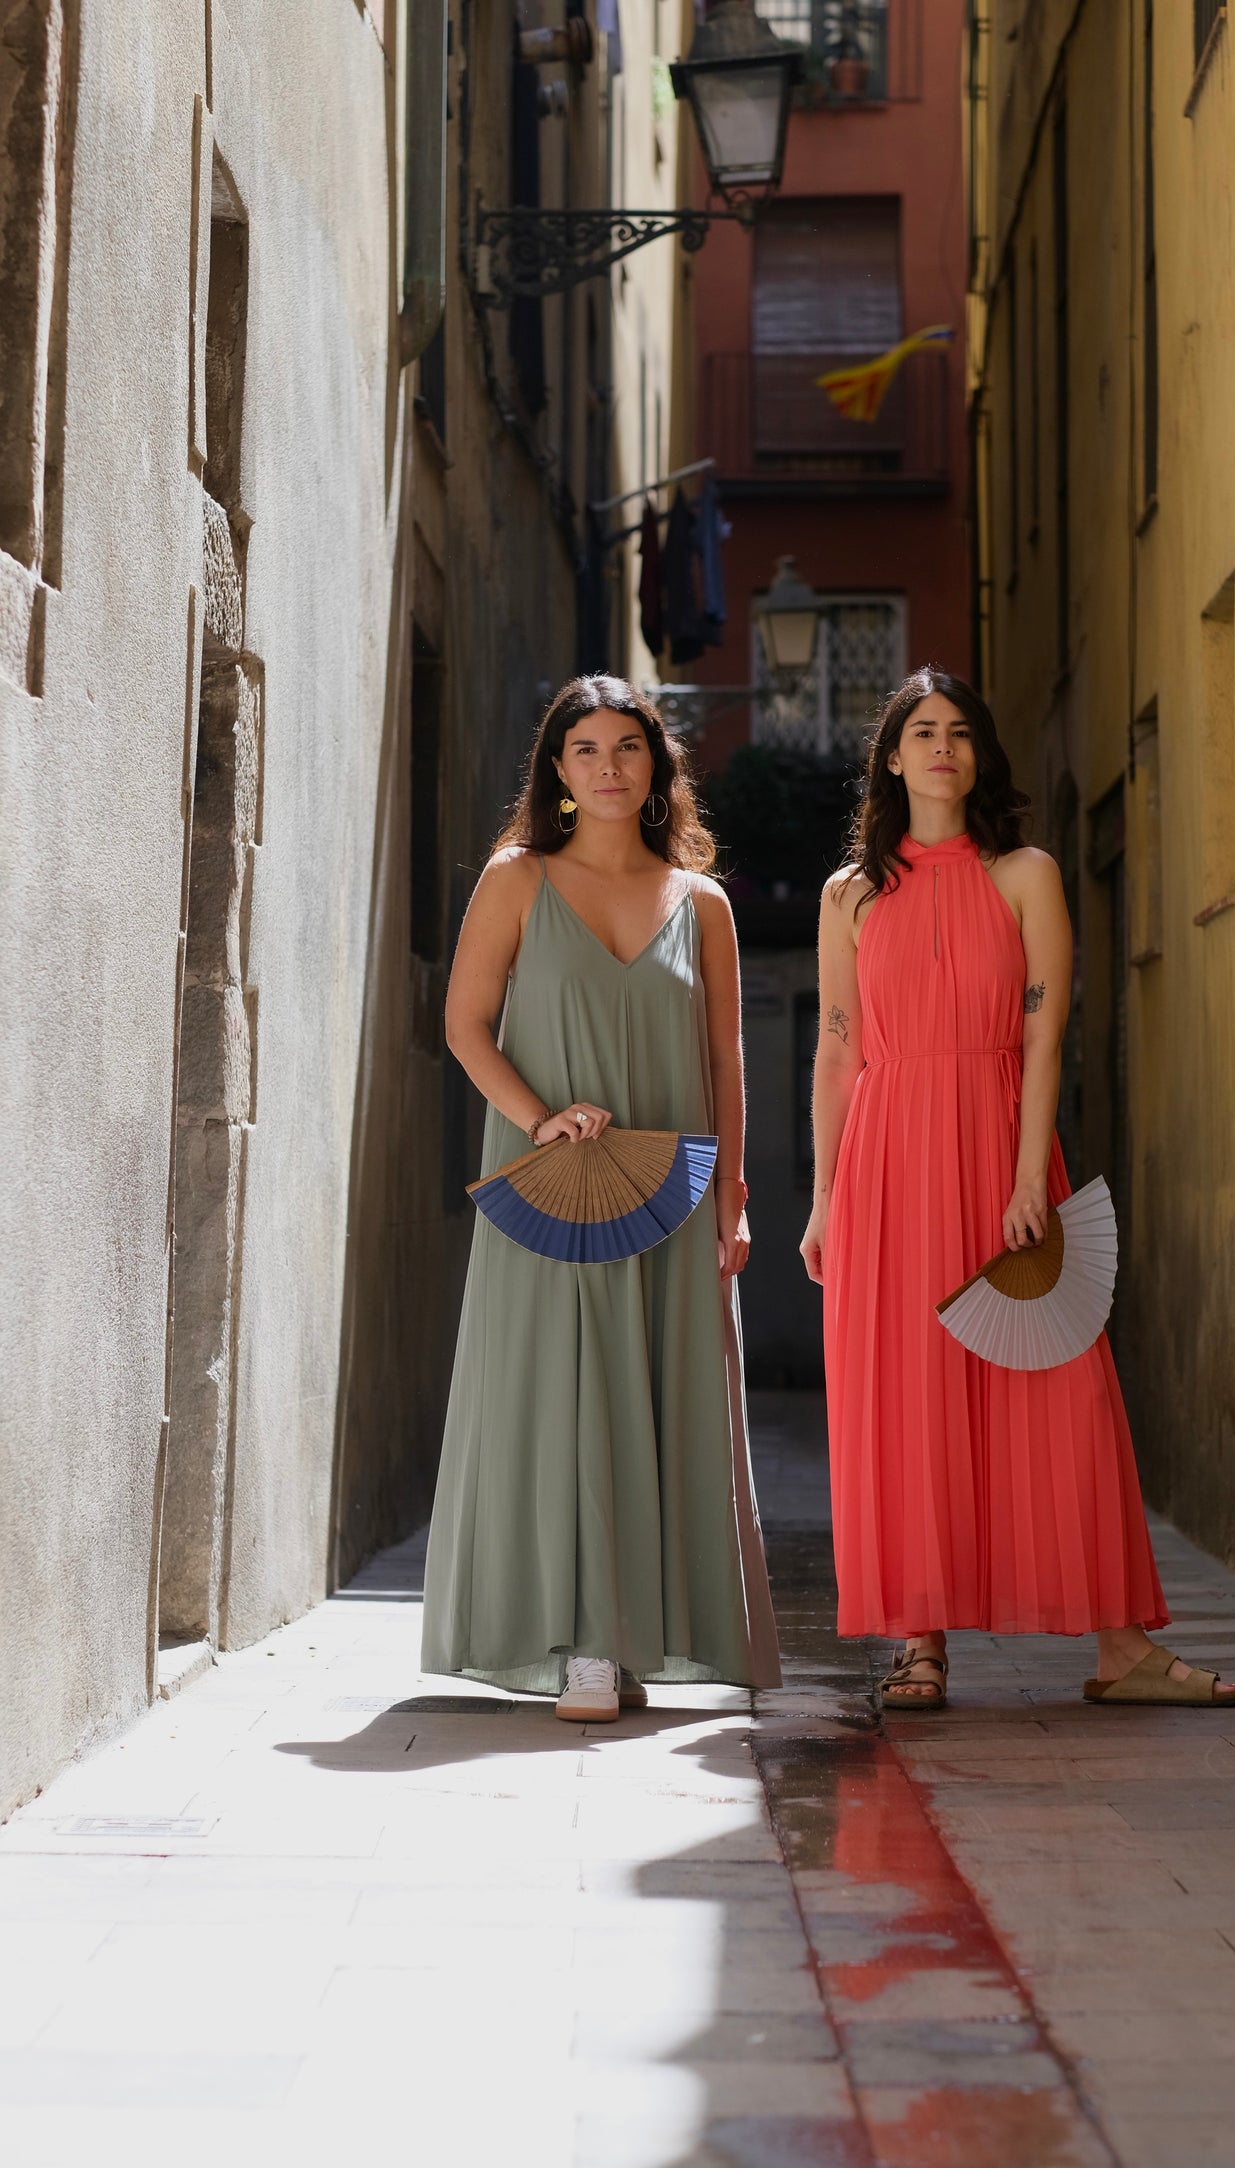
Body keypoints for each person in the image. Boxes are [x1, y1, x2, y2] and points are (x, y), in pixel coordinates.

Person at [802, 668, 1235, 1710]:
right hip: (885, 1162)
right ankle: (917, 1639)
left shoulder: (1025, 872)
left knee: (1060, 1388)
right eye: (920, 731)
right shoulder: (847, 893)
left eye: (958, 731)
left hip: (1002, 1149)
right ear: (892, 755)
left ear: (978, 754)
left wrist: (1021, 1175)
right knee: (904, 1397)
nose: (940, 746)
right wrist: (823, 1196)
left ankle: (1121, 1648)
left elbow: (1044, 1032)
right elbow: (834, 1050)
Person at [422, 675, 780, 1721]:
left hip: (674, 1188)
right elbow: (463, 1026)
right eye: (585, 748)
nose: (609, 765)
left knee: (666, 1395)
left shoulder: (700, 902)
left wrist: (735, 1198)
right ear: (558, 773)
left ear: (657, 767)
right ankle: (581, 1644)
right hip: (553, 1187)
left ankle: (650, 1635)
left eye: (628, 746)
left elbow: (726, 1057)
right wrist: (538, 1120)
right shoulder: (516, 879)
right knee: (563, 1395)